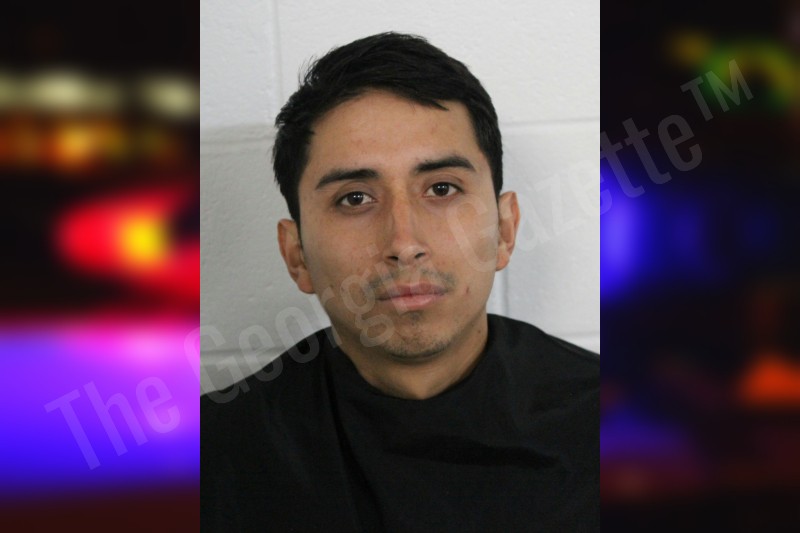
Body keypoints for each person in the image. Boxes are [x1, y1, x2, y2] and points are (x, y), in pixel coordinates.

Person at [201, 32, 599, 532]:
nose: (404, 243)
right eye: (355, 199)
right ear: (296, 254)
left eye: (441, 188)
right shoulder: (211, 459)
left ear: (505, 230)